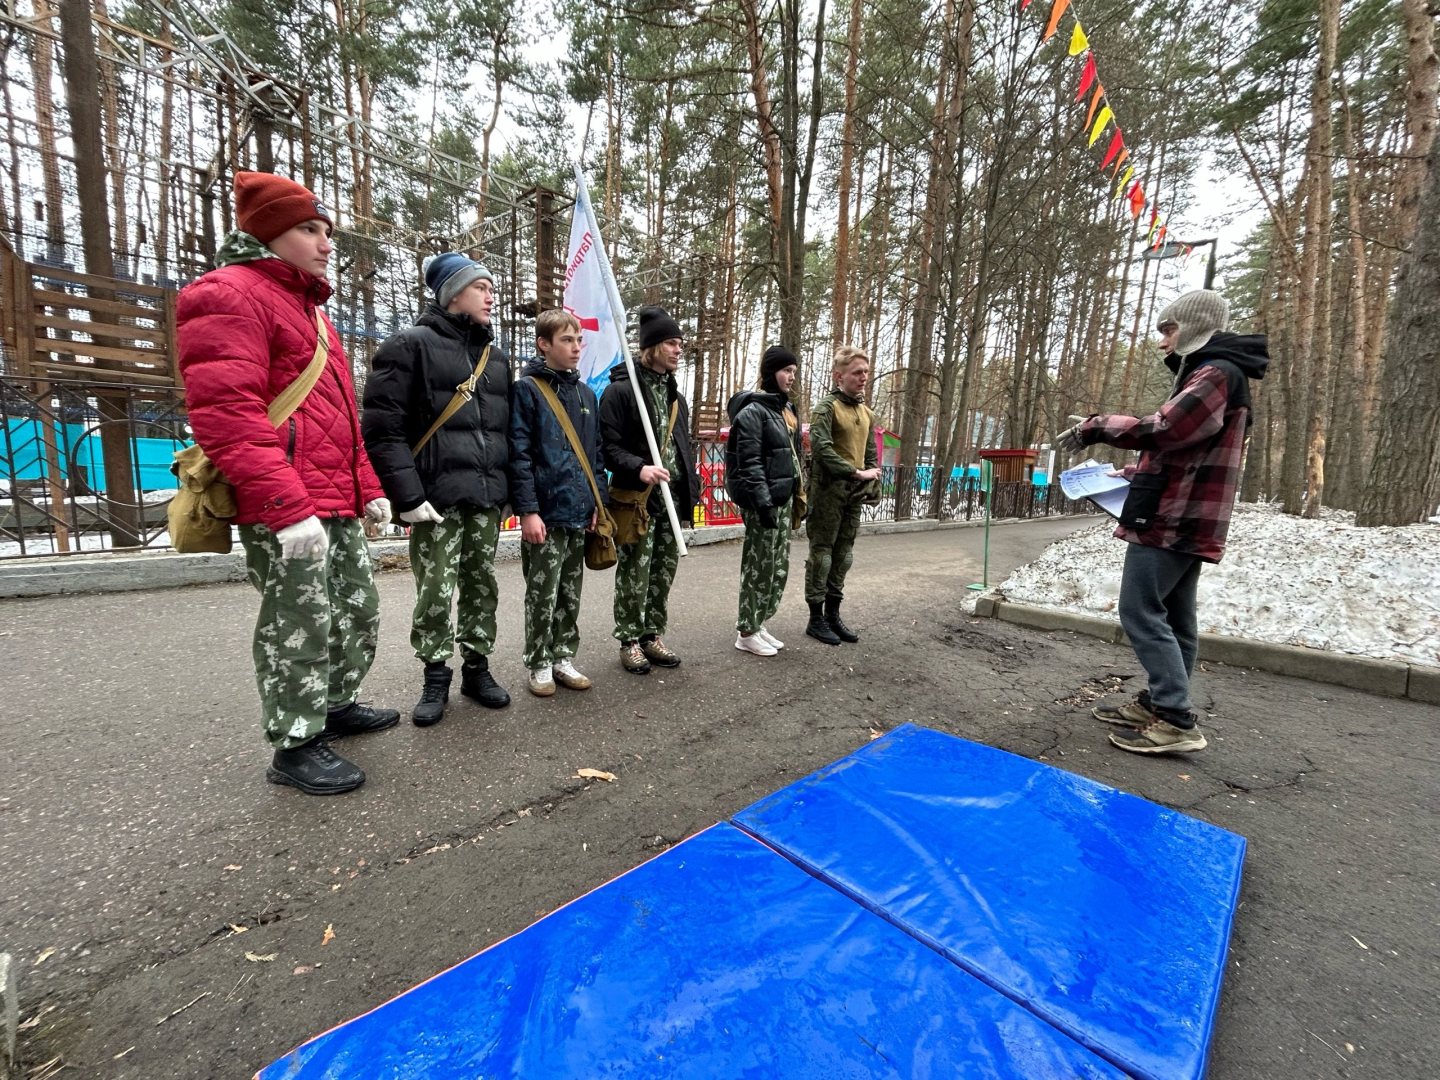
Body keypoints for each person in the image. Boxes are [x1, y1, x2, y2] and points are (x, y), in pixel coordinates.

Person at [176, 171, 397, 796]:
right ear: (268, 233)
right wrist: (285, 506)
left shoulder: (315, 314)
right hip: (286, 503)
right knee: (298, 621)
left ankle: (333, 704)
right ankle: (295, 743)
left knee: (356, 610)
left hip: (333, 498)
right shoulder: (225, 293)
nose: (326, 244)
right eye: (308, 229)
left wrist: (368, 488)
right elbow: (228, 412)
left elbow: (341, 420)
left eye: (327, 231)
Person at [1057, 288, 1268, 755]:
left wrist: (1097, 425)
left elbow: (1167, 428)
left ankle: (1175, 717)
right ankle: (1161, 702)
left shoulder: (1216, 373)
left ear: (1195, 326)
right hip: (1188, 513)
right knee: (1175, 617)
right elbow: (1188, 451)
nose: (1162, 341)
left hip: (1175, 518)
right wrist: (1135, 473)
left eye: (1169, 330)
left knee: (1139, 610)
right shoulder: (1216, 373)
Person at [362, 253, 512, 727]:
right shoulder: (408, 345)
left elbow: (505, 432)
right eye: (481, 287)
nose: (491, 297)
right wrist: (407, 496)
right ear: (452, 294)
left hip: (485, 497)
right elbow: (383, 430)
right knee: (435, 589)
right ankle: (434, 675)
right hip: (435, 499)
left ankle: (477, 669)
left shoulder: (496, 359)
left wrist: (505, 490)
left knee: (481, 584)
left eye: (492, 288)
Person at [509, 309, 609, 696]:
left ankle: (563, 656)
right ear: (544, 344)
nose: (576, 347)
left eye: (579, 340)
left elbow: (595, 456)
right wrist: (528, 510)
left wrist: (597, 503)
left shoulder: (586, 394)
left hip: (579, 510)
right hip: (545, 513)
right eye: (567, 340)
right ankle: (538, 661)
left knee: (570, 590)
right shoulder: (527, 390)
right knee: (542, 591)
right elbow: (518, 454)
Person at [600, 305, 699, 674]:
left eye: (679, 343)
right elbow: (607, 447)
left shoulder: (676, 398)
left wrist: (691, 488)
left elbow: (683, 447)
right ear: (652, 346)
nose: (678, 349)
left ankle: (651, 634)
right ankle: (628, 639)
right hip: (636, 501)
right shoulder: (621, 392)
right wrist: (638, 467)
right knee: (634, 573)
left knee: (662, 572)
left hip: (671, 501)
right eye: (671, 343)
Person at [726, 346, 802, 656]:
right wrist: (763, 503)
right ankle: (746, 631)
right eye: (786, 371)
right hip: (764, 503)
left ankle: (759, 623)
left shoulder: (786, 410)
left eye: (793, 372)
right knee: (758, 565)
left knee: (777, 566)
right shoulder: (752, 413)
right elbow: (749, 462)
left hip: (782, 499)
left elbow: (791, 457)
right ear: (771, 373)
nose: (791, 377)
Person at [804, 346, 881, 645]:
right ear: (839, 376)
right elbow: (821, 449)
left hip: (853, 495)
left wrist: (870, 477)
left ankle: (833, 615)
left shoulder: (866, 413)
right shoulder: (826, 408)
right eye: (857, 372)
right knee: (822, 555)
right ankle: (815, 619)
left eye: (866, 372)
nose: (863, 378)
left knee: (843, 555)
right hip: (827, 492)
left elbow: (871, 454)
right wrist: (855, 472)